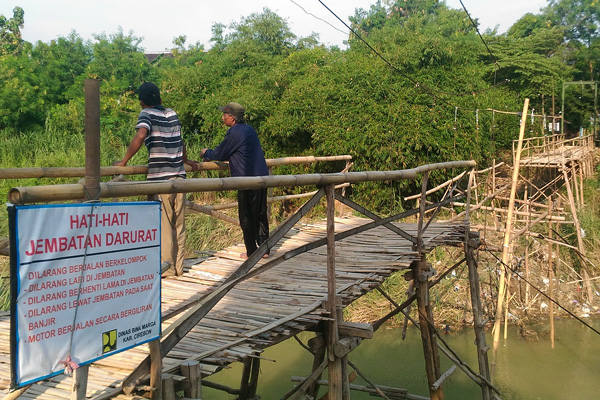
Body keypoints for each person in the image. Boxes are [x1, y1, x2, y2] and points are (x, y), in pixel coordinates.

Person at [114, 82, 199, 277]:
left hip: (161, 177)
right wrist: (185, 160)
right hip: (179, 175)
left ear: (141, 103)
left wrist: (124, 161)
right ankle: (179, 267)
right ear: (160, 99)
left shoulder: (146, 114)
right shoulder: (172, 113)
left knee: (164, 224)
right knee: (179, 224)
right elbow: (180, 139)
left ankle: (166, 269)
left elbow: (141, 135)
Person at [200, 102, 270, 259]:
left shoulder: (235, 132)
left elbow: (220, 153)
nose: (222, 117)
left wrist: (206, 152)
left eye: (224, 115)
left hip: (246, 179)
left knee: (246, 216)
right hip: (262, 176)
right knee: (260, 213)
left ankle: (251, 252)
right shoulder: (249, 129)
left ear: (232, 117)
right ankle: (264, 249)